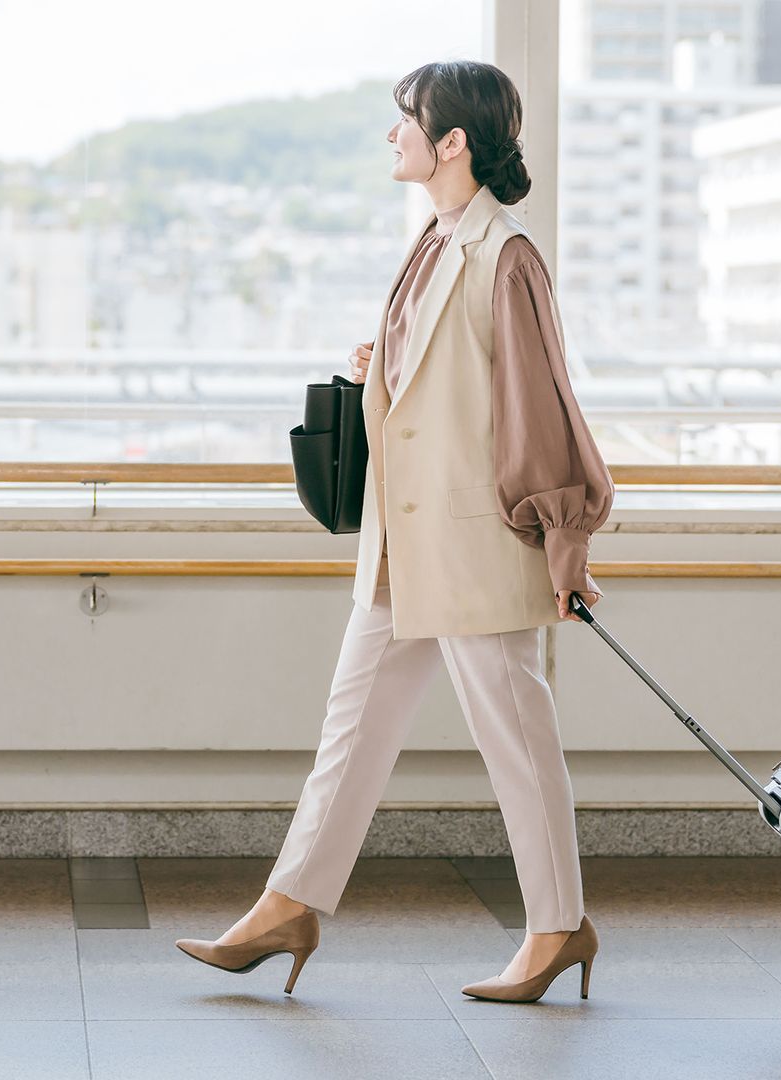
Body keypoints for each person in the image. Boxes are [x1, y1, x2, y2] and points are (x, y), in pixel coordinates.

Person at [175, 59, 614, 1003]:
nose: (392, 134)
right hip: (404, 542)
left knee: (515, 736)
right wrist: (385, 363)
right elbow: (451, 378)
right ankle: (289, 903)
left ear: (452, 141)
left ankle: (558, 926)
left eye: (405, 119)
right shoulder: (435, 238)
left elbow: (540, 408)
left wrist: (565, 544)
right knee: (353, 727)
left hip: (477, 543)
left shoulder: (507, 254)